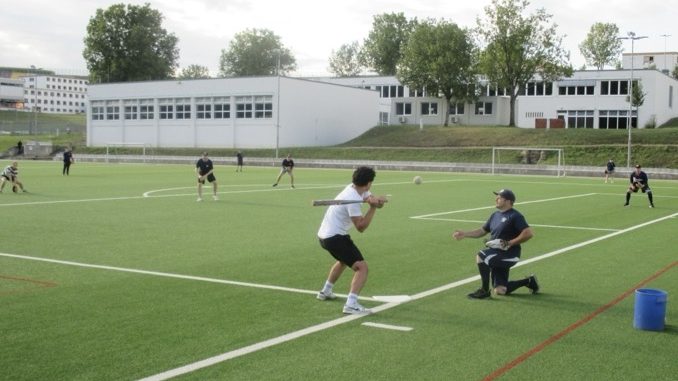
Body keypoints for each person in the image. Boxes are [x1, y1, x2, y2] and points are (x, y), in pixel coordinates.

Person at [316, 166, 388, 314]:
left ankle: (325, 291)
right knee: (362, 268)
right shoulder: (352, 199)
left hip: (324, 236)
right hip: (335, 237)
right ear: (368, 182)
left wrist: (376, 201)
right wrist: (373, 208)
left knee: (344, 260)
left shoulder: (354, 188)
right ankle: (351, 304)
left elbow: (368, 197)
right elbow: (361, 227)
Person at [452, 189, 537, 299]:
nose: (496, 199)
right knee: (500, 290)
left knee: (481, 255)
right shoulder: (495, 215)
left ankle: (484, 290)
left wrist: (509, 243)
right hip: (496, 254)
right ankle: (529, 281)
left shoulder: (515, 216)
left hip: (510, 254)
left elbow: (528, 233)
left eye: (499, 197)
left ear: (507, 201)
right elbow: (482, 231)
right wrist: (465, 234)